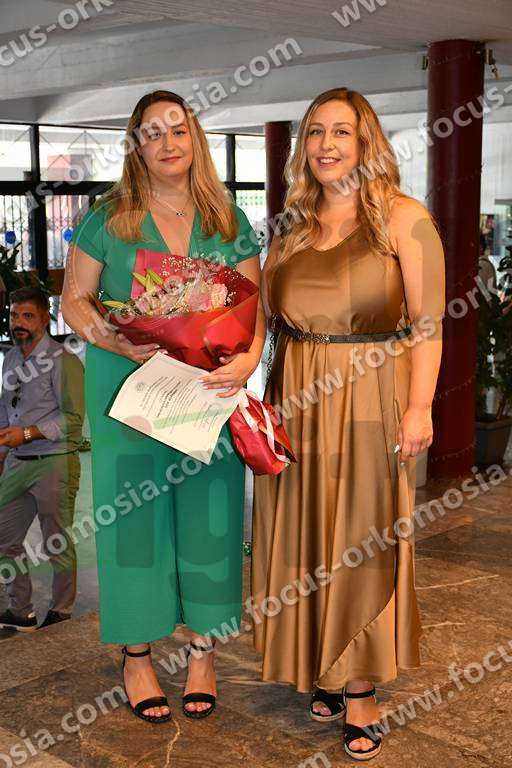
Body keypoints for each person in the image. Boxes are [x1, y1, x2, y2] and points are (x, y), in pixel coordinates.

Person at [251, 87, 445, 761]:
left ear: (367, 143)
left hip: (370, 393)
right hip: (294, 395)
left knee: (361, 537)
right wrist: (236, 378)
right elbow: (264, 325)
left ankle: (359, 688)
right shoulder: (291, 227)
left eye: (341, 131)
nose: (326, 144)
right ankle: (322, 667)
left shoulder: (405, 218)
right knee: (304, 535)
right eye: (315, 132)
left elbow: (429, 325)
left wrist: (419, 406)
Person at [61, 90, 265, 724]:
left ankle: (204, 654)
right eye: (152, 132)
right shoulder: (108, 219)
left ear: (194, 138)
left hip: (206, 389)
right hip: (129, 389)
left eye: (178, 129)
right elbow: (74, 301)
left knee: (211, 516)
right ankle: (137, 656)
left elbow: (253, 306)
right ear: (137, 146)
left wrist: (248, 360)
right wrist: (112, 340)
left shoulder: (228, 219)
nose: (167, 142)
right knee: (133, 520)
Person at [0, 286, 84, 631]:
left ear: (45, 319)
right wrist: (3, 451)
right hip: (17, 461)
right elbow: (6, 410)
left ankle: (62, 610)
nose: (18, 322)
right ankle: (21, 611)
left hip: (54, 461)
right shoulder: (10, 358)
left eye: (27, 315)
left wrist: (27, 434)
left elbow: (73, 419)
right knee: (5, 537)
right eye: (13, 315)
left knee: (56, 542)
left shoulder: (64, 360)